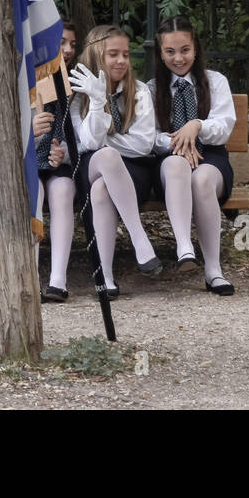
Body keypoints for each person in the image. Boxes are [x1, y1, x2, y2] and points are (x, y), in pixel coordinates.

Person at [68, 24, 161, 298]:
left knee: (102, 188)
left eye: (126, 54)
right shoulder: (79, 95)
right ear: (97, 55)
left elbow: (143, 144)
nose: (121, 60)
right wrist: (97, 102)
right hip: (91, 165)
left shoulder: (140, 91)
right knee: (105, 157)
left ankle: (105, 277)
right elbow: (89, 144)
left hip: (134, 172)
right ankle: (139, 238)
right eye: (113, 54)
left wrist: (104, 140)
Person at [146, 16, 237, 295]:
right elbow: (147, 137)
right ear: (160, 54)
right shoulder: (150, 89)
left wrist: (196, 126)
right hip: (170, 159)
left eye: (184, 50)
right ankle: (184, 246)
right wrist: (179, 142)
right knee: (176, 164)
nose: (178, 58)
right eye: (170, 52)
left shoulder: (215, 82)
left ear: (195, 49)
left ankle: (213, 271)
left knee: (202, 180)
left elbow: (224, 128)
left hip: (211, 157)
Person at [37, 21, 78, 302]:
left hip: (59, 165)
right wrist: (31, 133)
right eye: (62, 43)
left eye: (73, 45)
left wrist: (62, 149)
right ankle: (27, 274)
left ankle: (58, 280)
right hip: (27, 164)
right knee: (32, 192)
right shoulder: (26, 81)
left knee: (62, 192)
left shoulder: (75, 84)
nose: (67, 50)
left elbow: (82, 133)